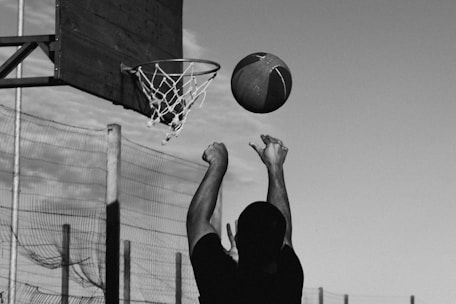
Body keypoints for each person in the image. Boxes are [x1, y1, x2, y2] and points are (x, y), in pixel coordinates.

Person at [187, 134, 304, 304]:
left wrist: (219, 165)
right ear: (279, 246)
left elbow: (196, 219)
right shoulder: (288, 283)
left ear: (238, 239)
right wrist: (275, 168)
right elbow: (282, 233)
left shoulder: (221, 282)